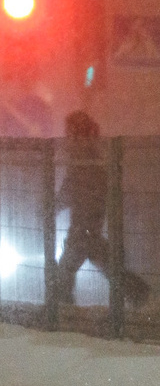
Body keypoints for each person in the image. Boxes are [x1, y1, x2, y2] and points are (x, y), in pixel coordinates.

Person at [56, 110, 149, 307]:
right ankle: (137, 291)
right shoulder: (87, 159)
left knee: (66, 271)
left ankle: (63, 309)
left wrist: (52, 207)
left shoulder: (83, 161)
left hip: (84, 226)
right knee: (104, 263)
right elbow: (74, 190)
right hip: (88, 226)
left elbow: (72, 190)